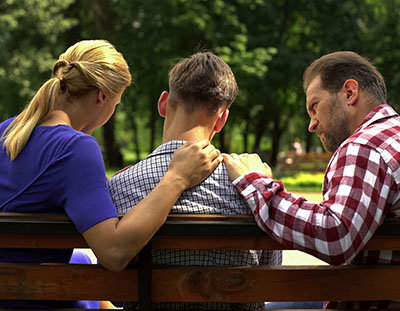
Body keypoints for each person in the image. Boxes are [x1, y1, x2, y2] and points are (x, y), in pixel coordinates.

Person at [0, 40, 221, 309]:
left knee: (81, 263)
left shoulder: (8, 131)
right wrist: (177, 177)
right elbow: (114, 253)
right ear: (102, 97)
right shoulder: (75, 148)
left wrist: (93, 185)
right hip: (25, 298)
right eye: (116, 104)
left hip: (13, 280)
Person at [223, 51, 400, 309]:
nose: (311, 124)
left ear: (350, 93)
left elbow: (336, 234)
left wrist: (256, 183)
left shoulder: (366, 146)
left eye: (314, 107)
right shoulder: (392, 135)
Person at [107, 51, 281, 310]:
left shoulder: (119, 186)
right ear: (222, 119)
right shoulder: (252, 187)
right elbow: (268, 279)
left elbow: (117, 294)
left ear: (163, 103)